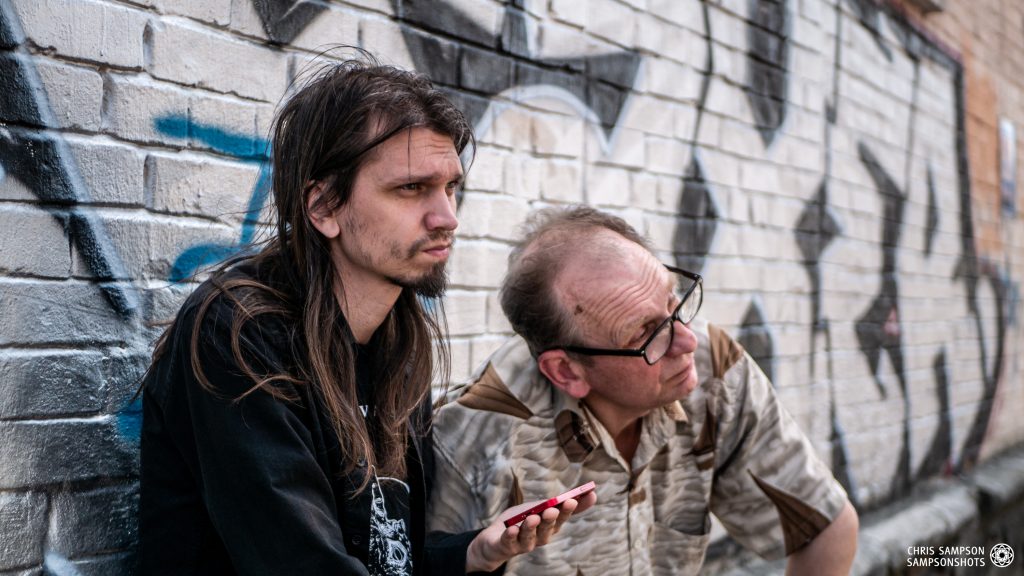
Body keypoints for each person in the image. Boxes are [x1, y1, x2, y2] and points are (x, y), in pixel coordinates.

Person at [138, 59, 592, 576]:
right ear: (324, 207)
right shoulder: (238, 335)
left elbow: (387, 557)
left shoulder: (395, 338)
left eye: (450, 188)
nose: (447, 217)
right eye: (411, 188)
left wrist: (472, 553)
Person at [428, 206, 859, 575]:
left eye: (674, 305)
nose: (688, 342)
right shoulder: (483, 437)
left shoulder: (714, 371)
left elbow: (825, 525)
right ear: (566, 371)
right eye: (646, 333)